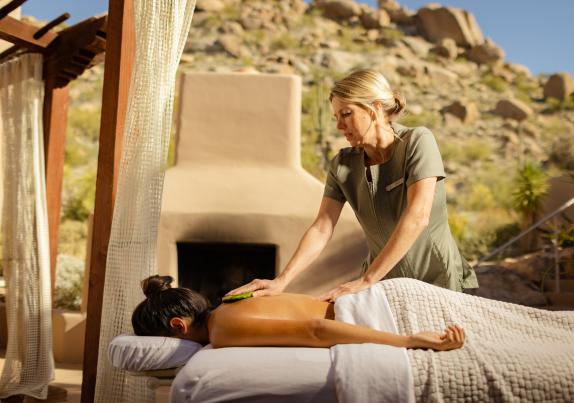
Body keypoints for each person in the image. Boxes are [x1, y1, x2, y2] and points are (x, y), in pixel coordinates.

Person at [227, 69, 477, 302]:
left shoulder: (417, 142)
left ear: (374, 109)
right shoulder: (343, 165)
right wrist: (281, 281)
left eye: (346, 114)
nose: (339, 126)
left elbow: (418, 216)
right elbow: (322, 228)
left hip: (437, 279)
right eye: (336, 117)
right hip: (385, 284)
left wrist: (366, 280)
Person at [132, 275, 465, 351]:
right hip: (389, 295)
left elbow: (315, 330)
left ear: (178, 326)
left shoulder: (222, 330)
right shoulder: (229, 304)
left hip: (383, 311)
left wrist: (408, 341)